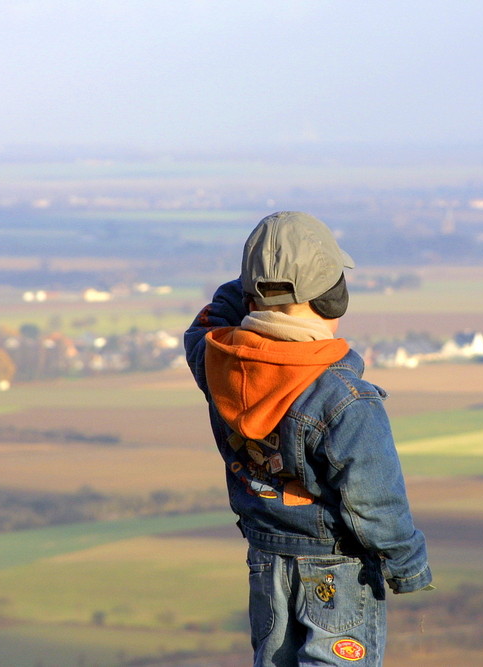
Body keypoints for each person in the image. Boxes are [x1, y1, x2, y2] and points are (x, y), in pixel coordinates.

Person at [184, 211, 432, 666]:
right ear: (333, 298)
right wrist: (407, 562)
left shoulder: (217, 363)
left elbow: (205, 325)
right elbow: (376, 501)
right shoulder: (345, 399)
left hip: (266, 563)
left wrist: (252, 283)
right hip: (337, 572)